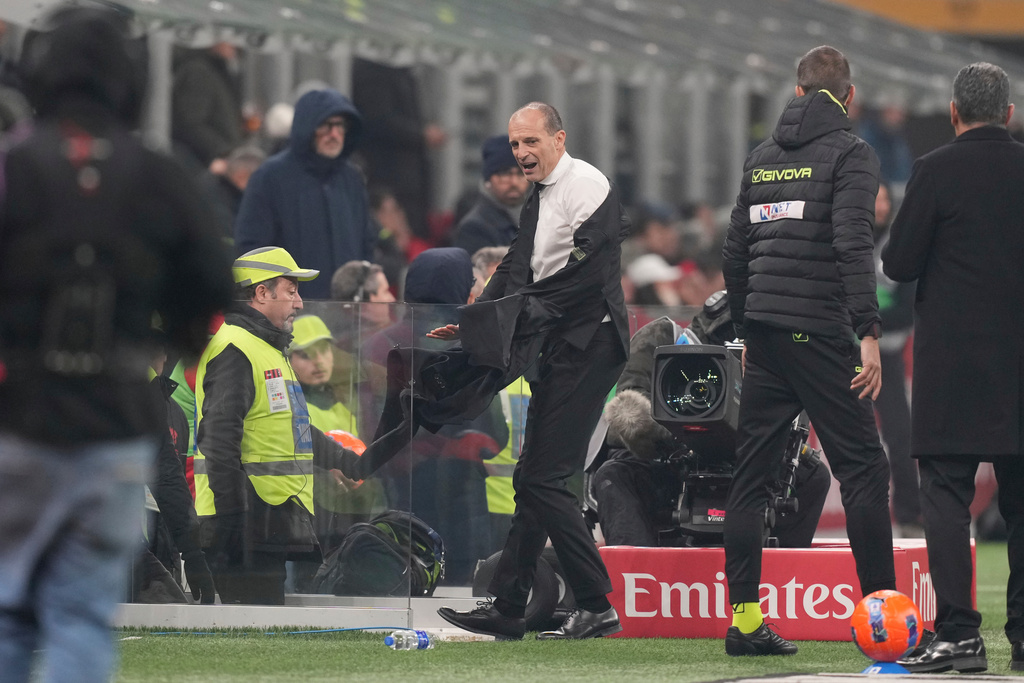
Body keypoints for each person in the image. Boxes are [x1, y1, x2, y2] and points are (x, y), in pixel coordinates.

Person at [0, 5, 233, 680]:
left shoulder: (14, 167)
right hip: (114, 420)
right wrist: (174, 337)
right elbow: (212, 281)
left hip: (20, 419)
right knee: (79, 615)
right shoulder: (155, 173)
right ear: (131, 79)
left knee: (11, 610)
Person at [720, 45, 896, 656]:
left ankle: (744, 625)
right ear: (849, 98)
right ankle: (882, 618)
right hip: (818, 334)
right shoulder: (853, 153)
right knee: (866, 471)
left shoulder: (762, 157)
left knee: (752, 481)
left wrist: (745, 329)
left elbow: (734, 253)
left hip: (766, 336)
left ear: (797, 95)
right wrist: (867, 332)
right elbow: (853, 243)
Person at [435, 102, 630, 640]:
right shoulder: (542, 194)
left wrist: (516, 315)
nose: (521, 153)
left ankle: (595, 602)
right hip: (562, 346)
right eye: (514, 144)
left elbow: (586, 278)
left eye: (530, 142)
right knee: (534, 479)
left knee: (543, 479)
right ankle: (509, 605)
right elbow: (517, 266)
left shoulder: (587, 185)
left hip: (590, 345)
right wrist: (475, 323)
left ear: (559, 138)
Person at [883, 62, 1024, 674]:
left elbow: (899, 263)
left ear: (953, 112)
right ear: (1010, 114)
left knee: (945, 496)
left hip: (954, 365)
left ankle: (960, 636)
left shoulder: (934, 170)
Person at [192, 247, 362, 604]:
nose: (299, 303)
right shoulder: (236, 349)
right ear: (261, 293)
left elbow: (292, 426)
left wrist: (350, 462)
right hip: (242, 526)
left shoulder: (265, 347)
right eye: (291, 291)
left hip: (264, 519)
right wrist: (233, 524)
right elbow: (218, 442)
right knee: (249, 642)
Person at [594, 313, 830, 549]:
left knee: (813, 475)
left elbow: (796, 427)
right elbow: (624, 419)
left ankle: (782, 578)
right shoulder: (667, 339)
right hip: (671, 462)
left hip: (749, 464)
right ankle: (635, 578)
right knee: (614, 474)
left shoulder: (780, 350)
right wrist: (681, 431)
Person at [234, 88, 376, 301]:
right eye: (326, 125)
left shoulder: (351, 178)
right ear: (307, 127)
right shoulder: (270, 177)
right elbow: (252, 248)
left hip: (349, 312)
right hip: (291, 312)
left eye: (340, 126)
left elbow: (366, 242)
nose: (334, 134)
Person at [871, 182, 921, 537]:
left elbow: (909, 308)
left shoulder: (899, 246)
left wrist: (867, 321)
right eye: (875, 198)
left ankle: (909, 515)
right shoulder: (839, 239)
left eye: (886, 198)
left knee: (901, 437)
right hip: (842, 355)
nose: (882, 205)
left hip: (884, 355)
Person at [352, 57, 446, 240]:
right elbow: (379, 122)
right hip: (390, 178)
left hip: (408, 181)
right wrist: (421, 135)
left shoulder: (403, 71)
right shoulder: (373, 73)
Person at [171, 41, 245, 175]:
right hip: (207, 167)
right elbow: (190, 122)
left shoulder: (218, 71)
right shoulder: (198, 71)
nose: (234, 43)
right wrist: (221, 153)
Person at [453, 134, 529, 255]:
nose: (514, 182)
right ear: (488, 179)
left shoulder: (537, 216)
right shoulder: (475, 228)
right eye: (505, 174)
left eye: (520, 173)